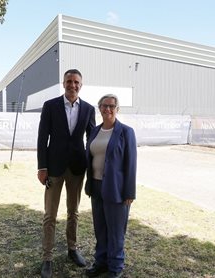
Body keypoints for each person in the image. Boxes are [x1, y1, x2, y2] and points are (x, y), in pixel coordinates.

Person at [37, 69, 96, 278]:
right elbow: (42, 137)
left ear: (81, 85)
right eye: (69, 81)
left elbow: (92, 141)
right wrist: (42, 167)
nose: (73, 85)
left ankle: (72, 249)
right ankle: (47, 258)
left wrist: (92, 169)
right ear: (63, 84)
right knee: (50, 215)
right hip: (53, 168)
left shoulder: (88, 109)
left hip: (77, 168)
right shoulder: (50, 106)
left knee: (74, 212)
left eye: (76, 82)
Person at [84, 94, 137, 278]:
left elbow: (131, 164)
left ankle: (115, 268)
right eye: (104, 106)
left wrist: (130, 191)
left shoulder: (126, 132)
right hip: (96, 187)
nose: (108, 109)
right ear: (99, 108)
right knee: (100, 229)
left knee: (115, 232)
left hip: (117, 190)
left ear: (117, 109)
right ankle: (101, 263)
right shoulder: (94, 131)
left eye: (111, 106)